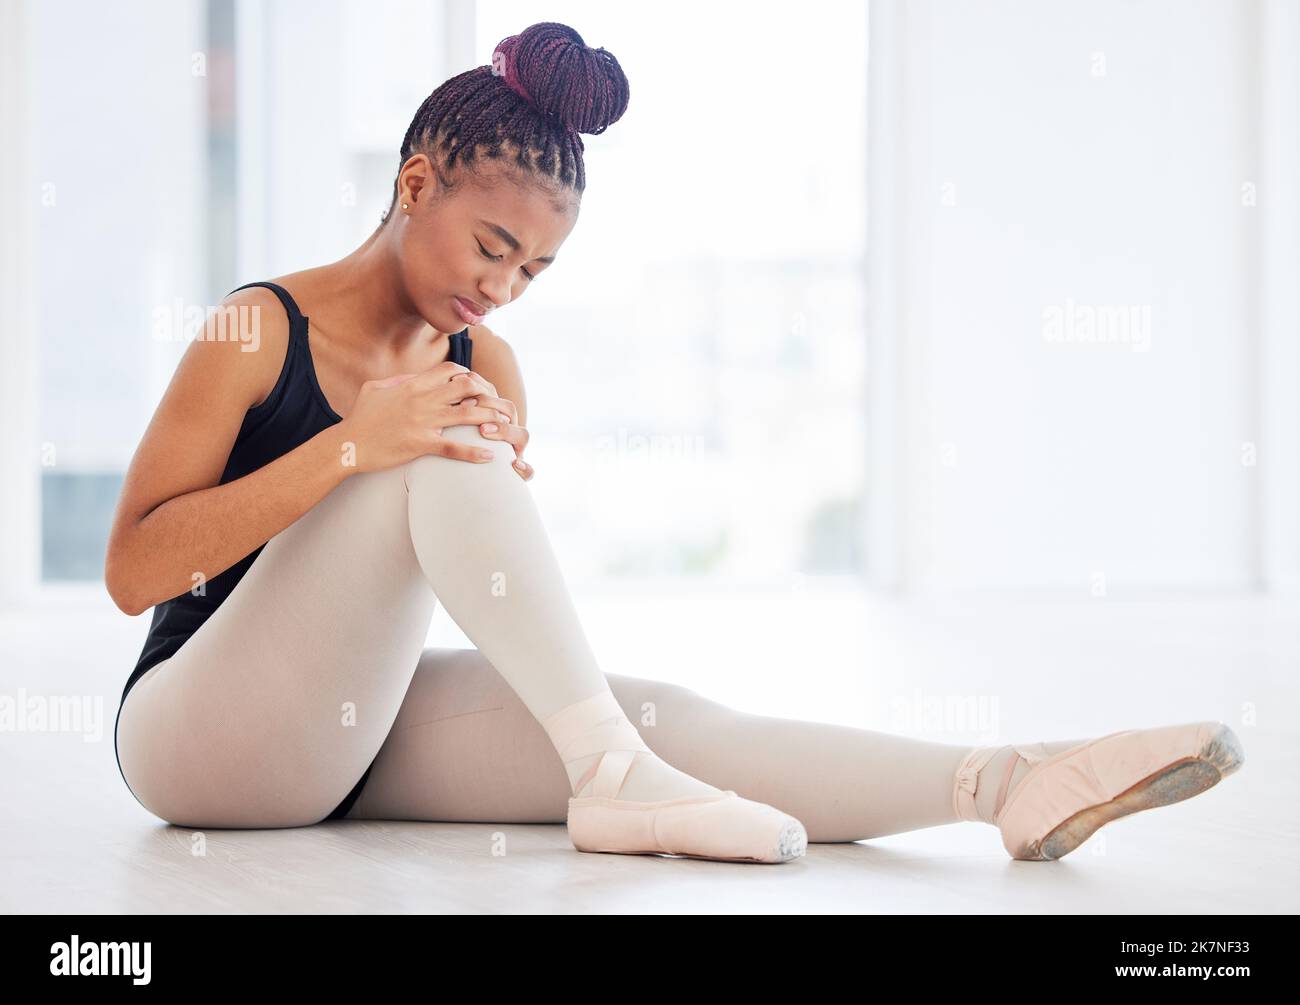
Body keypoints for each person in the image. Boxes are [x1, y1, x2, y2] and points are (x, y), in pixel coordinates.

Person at [107, 22, 1244, 865]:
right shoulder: (259, 326)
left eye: (533, 272)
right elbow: (134, 572)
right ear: (415, 185)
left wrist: (472, 497)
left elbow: (433, 593)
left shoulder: (482, 365)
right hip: (194, 742)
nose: (501, 291)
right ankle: (614, 777)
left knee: (653, 713)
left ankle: (1003, 782)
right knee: (436, 460)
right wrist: (358, 445)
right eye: (492, 248)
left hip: (343, 736)